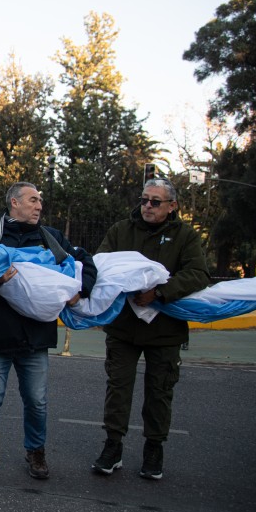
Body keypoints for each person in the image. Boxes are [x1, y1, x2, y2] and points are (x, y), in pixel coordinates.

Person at [0, 182, 98, 489]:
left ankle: (36, 454)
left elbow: (84, 262)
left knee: (37, 401)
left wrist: (81, 290)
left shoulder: (51, 238)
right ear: (14, 202)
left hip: (35, 338)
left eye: (40, 201)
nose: (39, 206)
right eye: (33, 200)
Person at [92, 178, 209, 480]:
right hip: (123, 327)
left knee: (159, 391)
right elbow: (102, 264)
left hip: (165, 329)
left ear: (172, 206)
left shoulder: (186, 236)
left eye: (155, 202)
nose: (147, 206)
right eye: (144, 199)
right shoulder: (121, 230)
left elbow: (197, 273)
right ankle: (113, 446)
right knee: (118, 388)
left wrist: (158, 292)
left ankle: (153, 449)